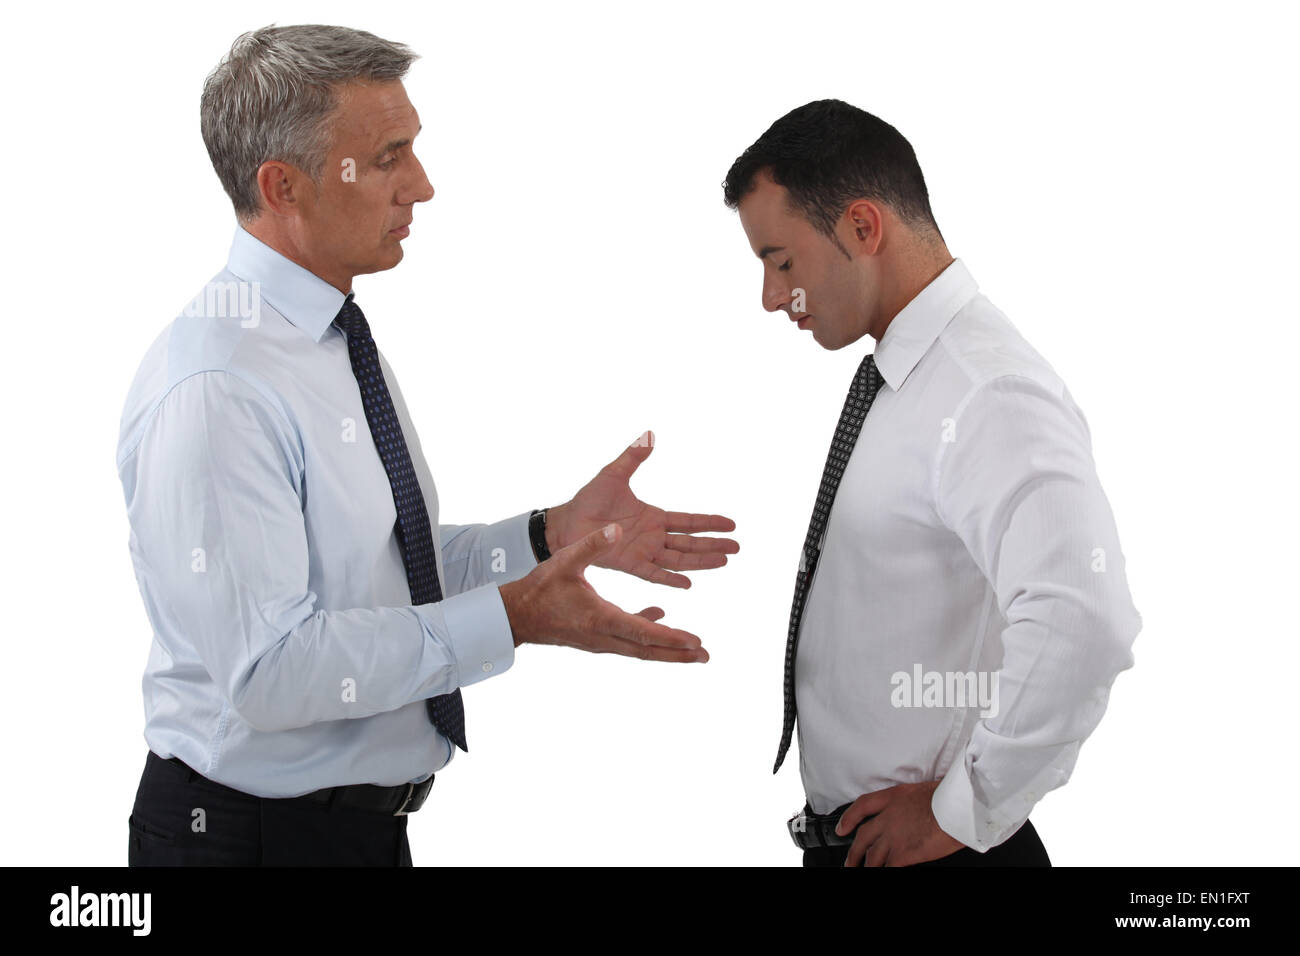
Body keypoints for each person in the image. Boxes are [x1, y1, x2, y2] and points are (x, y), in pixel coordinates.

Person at [117, 24, 738, 867]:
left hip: (352, 836)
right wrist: (514, 619)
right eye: (386, 158)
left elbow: (377, 573)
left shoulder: (325, 337)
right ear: (283, 185)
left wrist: (545, 538)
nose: (422, 186)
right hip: (249, 843)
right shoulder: (220, 384)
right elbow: (269, 670)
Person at [721, 99, 1141, 867]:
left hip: (935, 854)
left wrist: (965, 810)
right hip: (876, 842)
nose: (773, 297)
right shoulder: (912, 376)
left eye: (782, 262)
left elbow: (1085, 622)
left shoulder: (986, 390)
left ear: (862, 228)